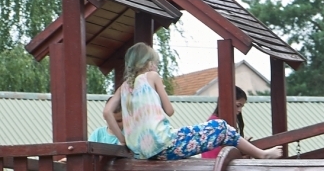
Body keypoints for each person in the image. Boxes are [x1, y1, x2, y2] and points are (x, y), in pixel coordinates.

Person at [103, 43, 281, 161]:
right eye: (156, 63)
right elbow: (170, 110)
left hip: (141, 152)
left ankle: (257, 152)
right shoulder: (152, 76)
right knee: (221, 127)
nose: (156, 67)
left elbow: (107, 112)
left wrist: (123, 139)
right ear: (149, 64)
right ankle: (262, 154)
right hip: (165, 145)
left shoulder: (124, 87)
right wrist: (158, 92)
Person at [201, 86, 248, 159]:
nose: (240, 110)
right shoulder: (217, 125)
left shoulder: (214, 121)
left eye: (241, 107)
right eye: (238, 106)